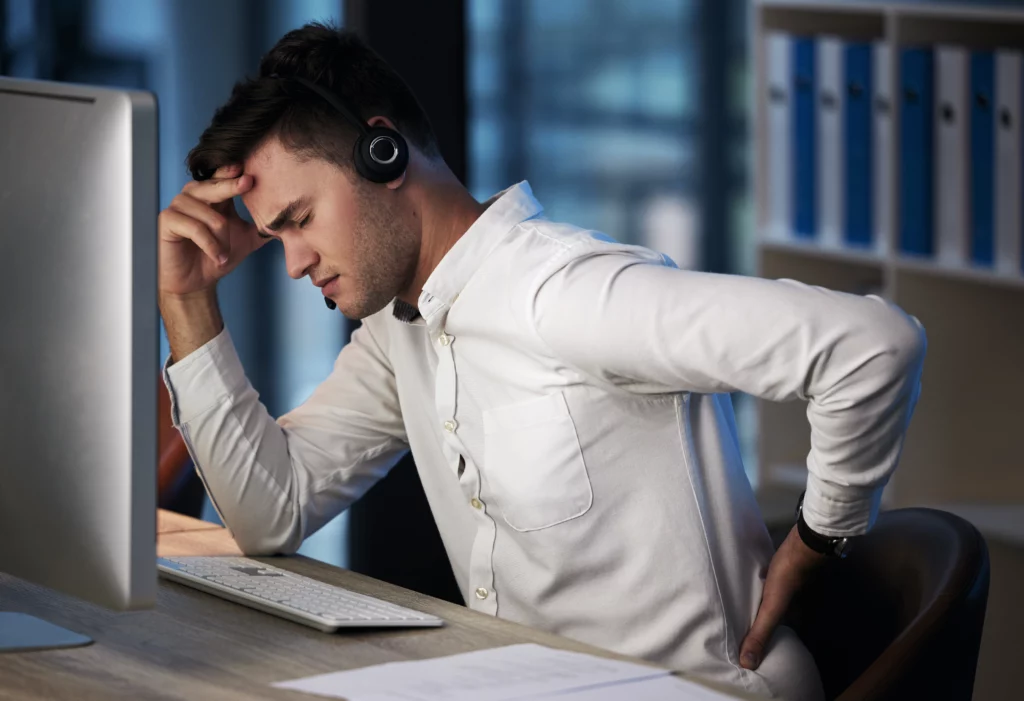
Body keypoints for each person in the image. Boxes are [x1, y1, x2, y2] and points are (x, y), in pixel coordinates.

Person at [159, 22, 925, 701]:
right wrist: (189, 301)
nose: (291, 264)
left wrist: (824, 534)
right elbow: (270, 513)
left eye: (299, 220)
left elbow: (869, 345)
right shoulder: (405, 331)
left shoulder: (568, 294)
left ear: (382, 151)